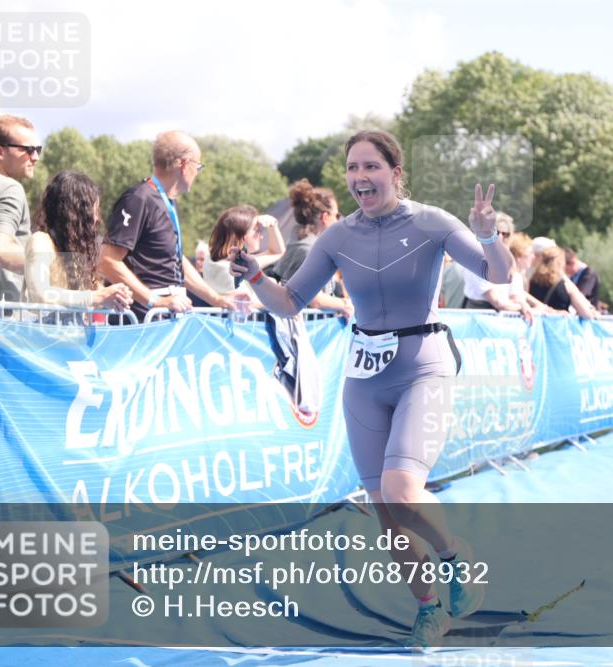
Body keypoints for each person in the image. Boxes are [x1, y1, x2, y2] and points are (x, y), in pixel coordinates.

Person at [229, 130, 513, 649]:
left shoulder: (432, 222)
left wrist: (488, 235)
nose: (361, 178)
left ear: (395, 173)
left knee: (404, 491)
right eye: (353, 169)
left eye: (372, 167)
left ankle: (454, 556)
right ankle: (429, 608)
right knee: (386, 510)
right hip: (364, 376)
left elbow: (499, 272)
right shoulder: (338, 237)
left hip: (422, 365)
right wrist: (253, 276)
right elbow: (290, 301)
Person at [98, 130, 235, 321]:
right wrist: (155, 300)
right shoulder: (139, 198)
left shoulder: (168, 202)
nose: (198, 173)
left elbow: (176, 261)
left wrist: (218, 299)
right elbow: (107, 261)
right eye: (198, 166)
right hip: (141, 321)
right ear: (184, 164)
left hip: (167, 316)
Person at [24, 171, 133, 317]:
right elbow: (39, 293)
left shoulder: (75, 250)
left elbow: (92, 295)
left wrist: (114, 295)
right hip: (42, 335)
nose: (97, 218)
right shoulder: (40, 241)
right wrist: (96, 297)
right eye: (94, 210)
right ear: (78, 213)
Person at [270, 179, 353, 318]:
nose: (338, 220)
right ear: (325, 217)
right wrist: (344, 304)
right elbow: (315, 300)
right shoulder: (308, 250)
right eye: (337, 215)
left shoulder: (301, 244)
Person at [0, 114, 40, 304]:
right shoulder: (9, 188)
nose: (36, 157)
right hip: (3, 317)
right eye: (29, 150)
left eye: (38, 149)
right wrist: (52, 264)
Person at [202, 206, 285, 310]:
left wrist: (273, 226)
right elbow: (245, 303)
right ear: (241, 235)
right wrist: (278, 295)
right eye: (257, 230)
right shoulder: (228, 268)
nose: (261, 236)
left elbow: (276, 252)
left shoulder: (216, 260)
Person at [528, 246, 598, 319]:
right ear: (561, 262)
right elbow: (586, 314)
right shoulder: (566, 285)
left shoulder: (532, 281)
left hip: (537, 326)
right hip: (559, 326)